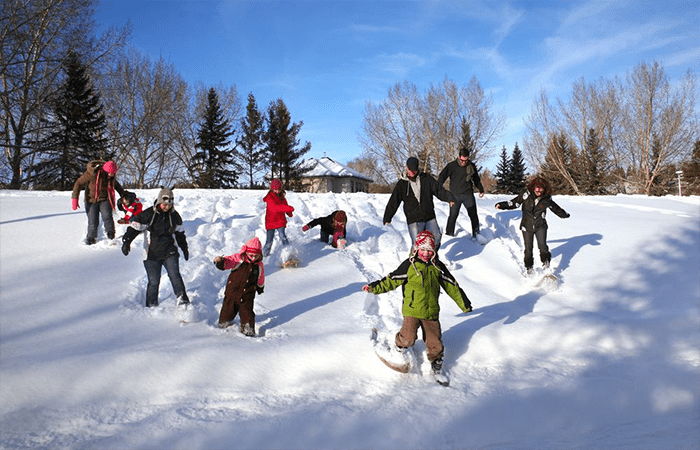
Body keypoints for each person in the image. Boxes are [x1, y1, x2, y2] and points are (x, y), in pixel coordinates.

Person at [362, 231, 472, 378]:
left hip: (431, 311)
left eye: (429, 250)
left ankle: (436, 362)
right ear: (416, 249)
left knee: (435, 342)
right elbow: (391, 280)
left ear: (434, 251)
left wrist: (464, 304)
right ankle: (398, 348)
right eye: (423, 249)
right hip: (412, 309)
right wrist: (373, 287)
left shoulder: (438, 267)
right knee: (408, 337)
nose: (426, 253)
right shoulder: (409, 265)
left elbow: (451, 285)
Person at [121, 187, 190, 308]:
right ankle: (151, 304)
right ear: (159, 201)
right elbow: (134, 227)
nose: (166, 207)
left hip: (170, 251)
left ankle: (182, 299)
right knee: (154, 281)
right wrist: (127, 241)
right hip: (151, 253)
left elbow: (180, 233)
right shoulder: (149, 214)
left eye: (169, 205)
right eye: (164, 204)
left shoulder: (174, 216)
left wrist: (184, 247)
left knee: (175, 275)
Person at [495, 175, 570, 274]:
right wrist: (501, 205)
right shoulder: (526, 195)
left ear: (544, 189)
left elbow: (555, 208)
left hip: (540, 226)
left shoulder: (546, 199)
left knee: (542, 246)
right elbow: (514, 203)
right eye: (536, 189)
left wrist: (564, 215)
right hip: (527, 226)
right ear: (533, 188)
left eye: (541, 190)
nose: (538, 192)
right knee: (528, 249)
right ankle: (529, 268)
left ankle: (546, 262)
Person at [383, 156, 455, 252]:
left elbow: (438, 190)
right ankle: (414, 264)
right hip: (414, 219)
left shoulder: (426, 178)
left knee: (436, 238)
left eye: (414, 170)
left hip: (429, 216)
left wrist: (449, 198)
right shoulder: (402, 184)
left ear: (417, 169)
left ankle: (431, 258)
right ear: (406, 167)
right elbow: (394, 201)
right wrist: (387, 217)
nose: (412, 173)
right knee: (417, 245)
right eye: (410, 170)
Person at [213, 237, 265, 336]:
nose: (253, 258)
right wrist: (221, 261)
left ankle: (248, 330)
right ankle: (224, 323)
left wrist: (260, 286)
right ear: (246, 252)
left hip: (247, 296)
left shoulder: (259, 265)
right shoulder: (238, 259)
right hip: (232, 293)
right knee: (227, 311)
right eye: (251, 255)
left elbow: (261, 276)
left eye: (256, 256)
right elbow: (228, 261)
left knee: (247, 314)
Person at [71, 160, 126, 244]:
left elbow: (117, 186)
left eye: (113, 173)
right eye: (110, 173)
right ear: (105, 170)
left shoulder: (110, 177)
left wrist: (124, 195)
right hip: (91, 201)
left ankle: (111, 236)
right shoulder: (92, 173)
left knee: (107, 217)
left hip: (104, 200)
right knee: (93, 222)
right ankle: (91, 239)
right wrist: (75, 198)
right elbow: (78, 183)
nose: (111, 175)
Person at [438, 148, 485, 238]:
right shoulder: (452, 166)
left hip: (468, 195)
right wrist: (439, 187)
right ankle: (449, 234)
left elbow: (476, 179)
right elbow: (442, 176)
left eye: (465, 160)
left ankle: (476, 234)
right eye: (462, 160)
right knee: (453, 215)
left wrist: (481, 189)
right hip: (454, 195)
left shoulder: (471, 166)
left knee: (473, 215)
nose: (464, 162)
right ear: (459, 157)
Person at [262, 179, 294, 257]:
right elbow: (275, 208)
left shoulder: (282, 197)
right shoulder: (269, 197)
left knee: (283, 236)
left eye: (278, 189)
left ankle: (288, 253)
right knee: (269, 241)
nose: (277, 191)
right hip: (271, 221)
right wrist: (288, 208)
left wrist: (289, 213)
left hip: (280, 220)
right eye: (275, 189)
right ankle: (264, 255)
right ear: (272, 189)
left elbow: (285, 205)